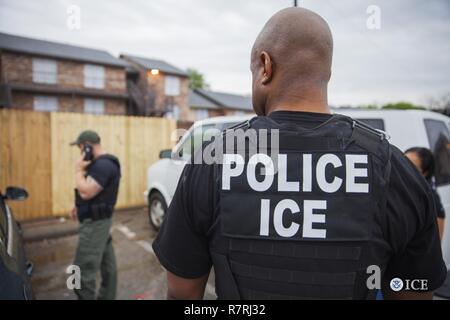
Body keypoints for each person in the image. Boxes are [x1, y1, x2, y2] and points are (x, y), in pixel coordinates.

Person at [152, 7, 446, 299]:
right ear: (326, 73)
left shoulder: (213, 160)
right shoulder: (394, 168)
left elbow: (183, 294)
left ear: (265, 66)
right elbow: (415, 294)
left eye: (252, 71)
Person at [70, 130, 121, 300]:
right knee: (108, 268)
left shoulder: (103, 165)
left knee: (80, 271)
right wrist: (77, 205)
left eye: (80, 148)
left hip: (94, 225)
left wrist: (77, 170)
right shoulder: (100, 164)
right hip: (99, 222)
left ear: (87, 147)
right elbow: (90, 193)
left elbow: (86, 192)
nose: (80, 153)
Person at [405, 147, 446, 241]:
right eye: (402, 163)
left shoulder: (431, 199)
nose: (403, 170)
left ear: (424, 173)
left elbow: (436, 242)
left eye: (411, 168)